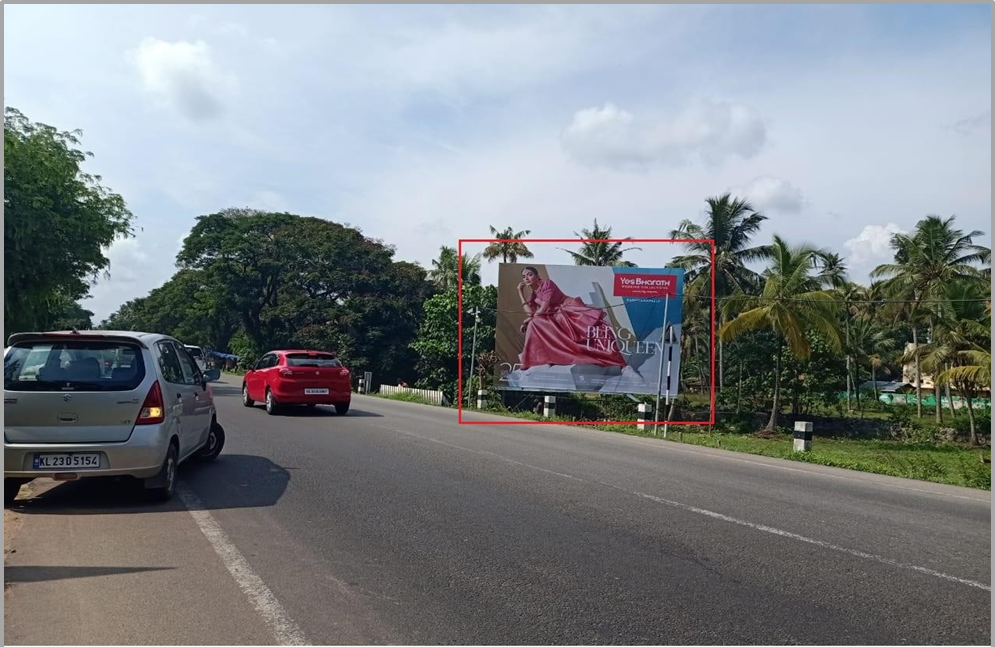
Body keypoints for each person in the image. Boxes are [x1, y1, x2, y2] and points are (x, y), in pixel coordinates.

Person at [516, 266, 626, 370]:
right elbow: (531, 314)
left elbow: (542, 309)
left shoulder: (547, 284)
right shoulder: (533, 296)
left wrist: (526, 321)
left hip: (570, 309)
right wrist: (520, 293)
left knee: (593, 333)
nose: (526, 278)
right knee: (535, 323)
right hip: (556, 316)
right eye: (524, 277)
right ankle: (543, 358)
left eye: (530, 275)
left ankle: (615, 361)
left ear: (537, 275)